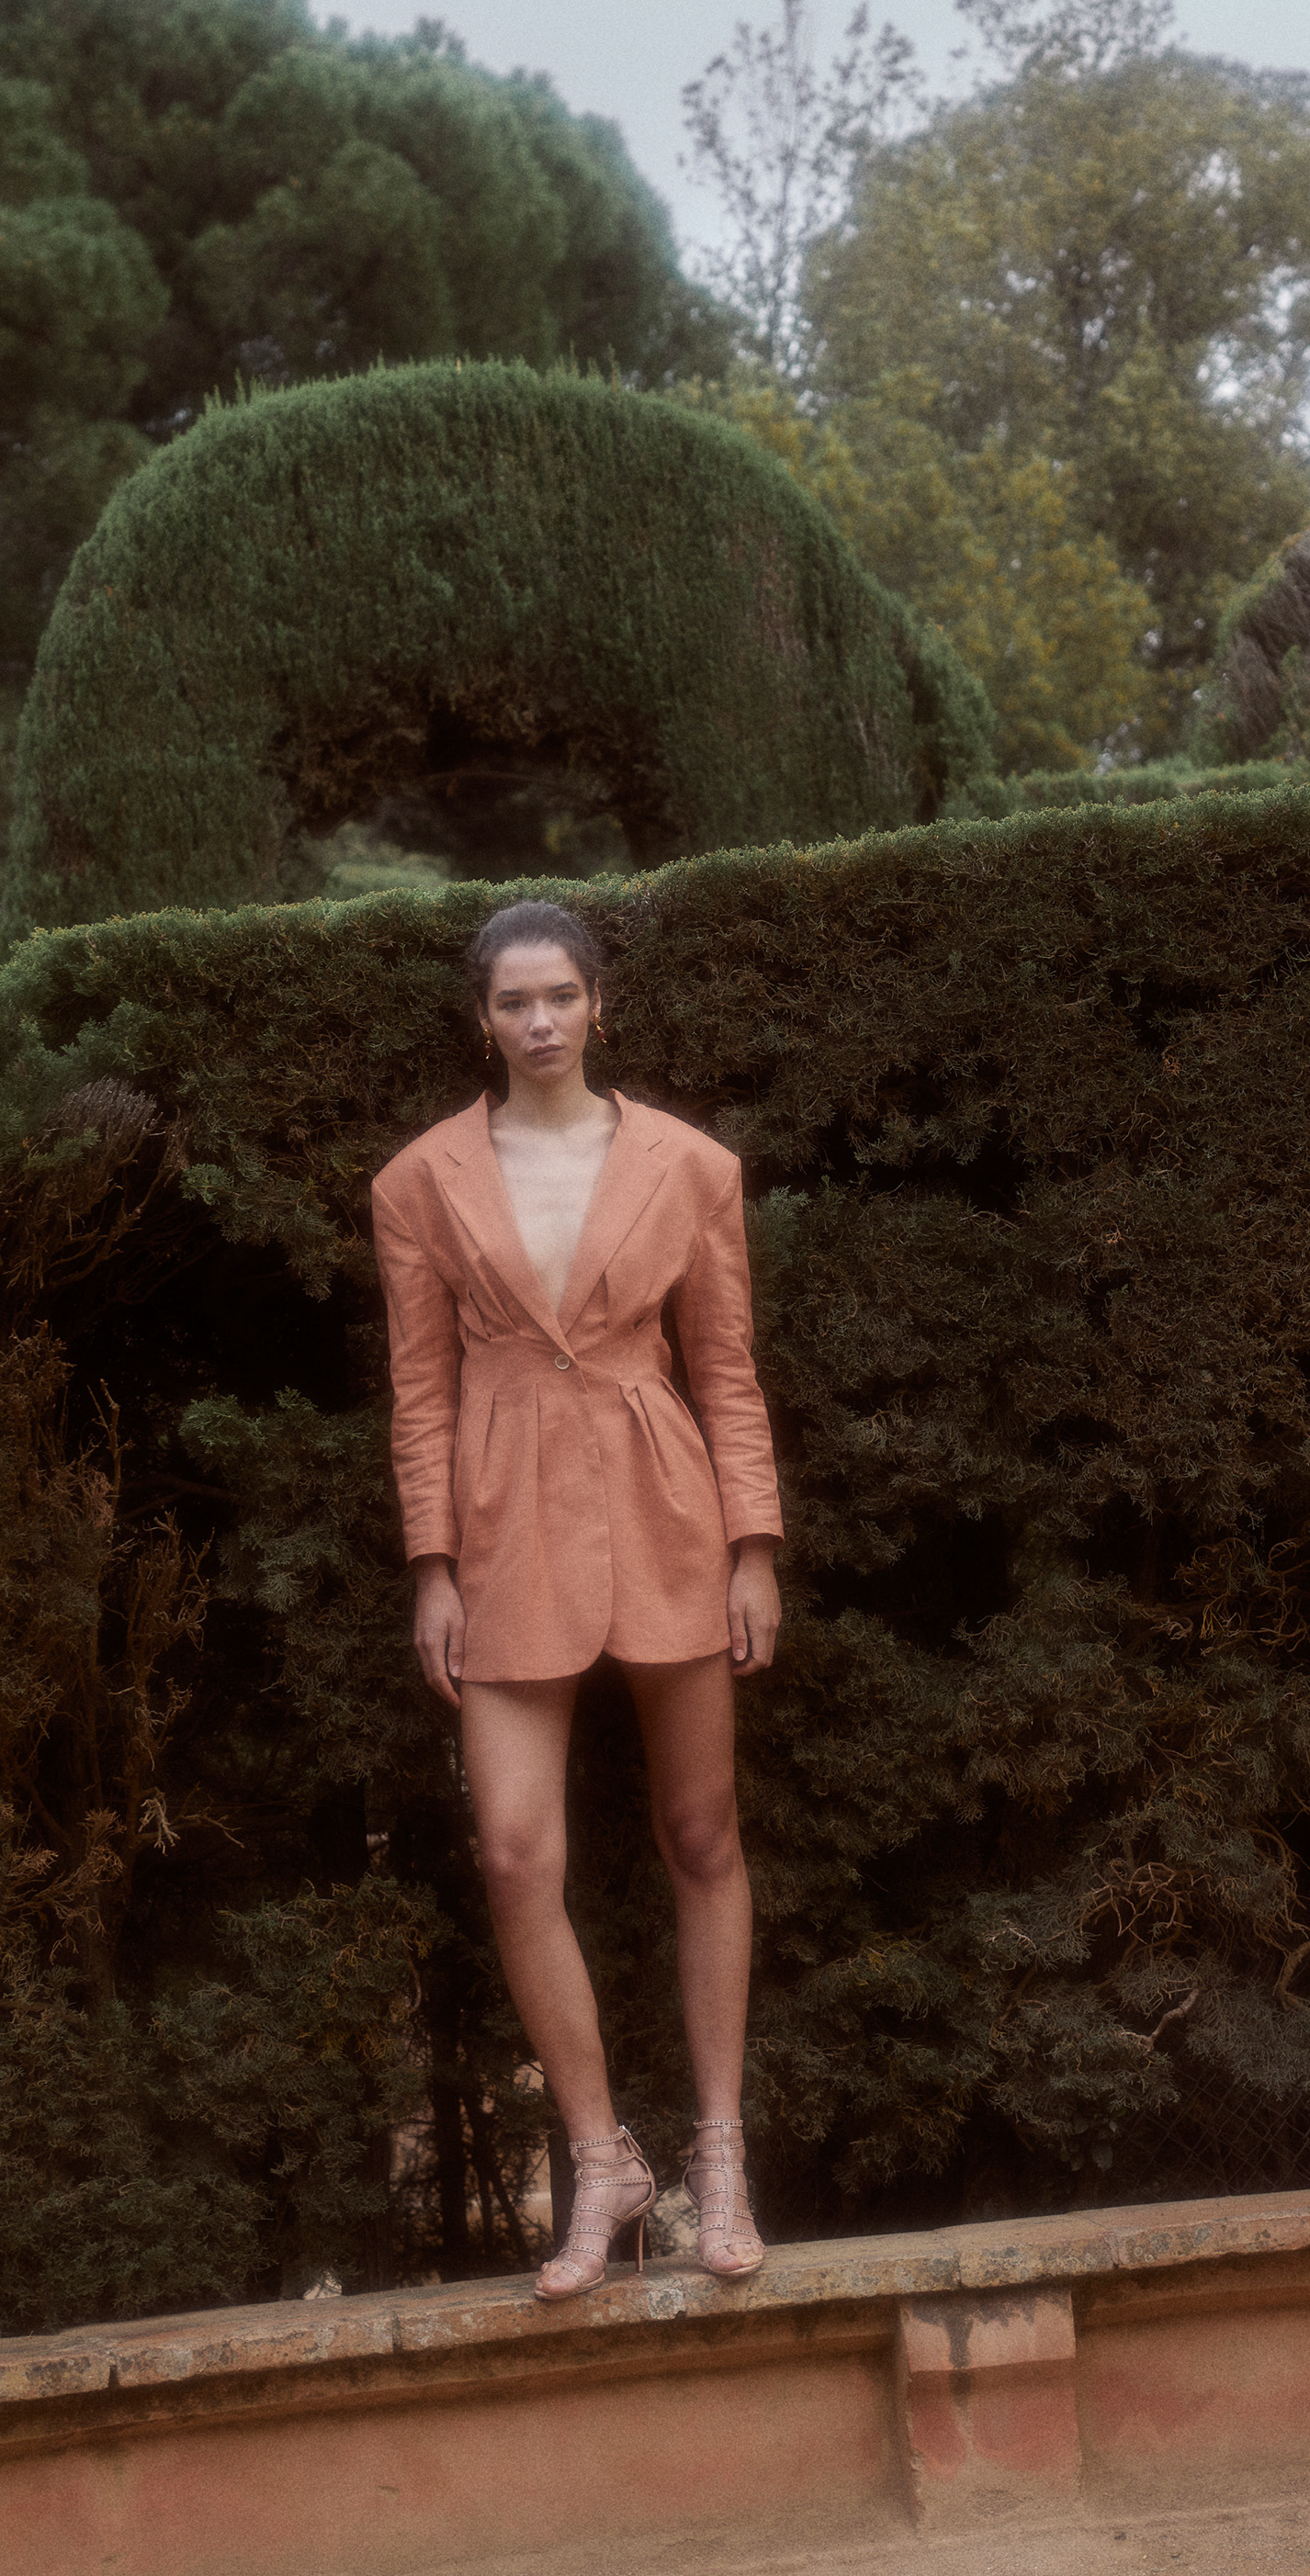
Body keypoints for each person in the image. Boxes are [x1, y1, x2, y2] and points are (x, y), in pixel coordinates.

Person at [370, 899, 784, 2300]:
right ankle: (602, 2158)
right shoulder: (418, 1183)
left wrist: (755, 1546)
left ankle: (721, 2153)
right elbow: (420, 1395)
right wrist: (432, 1567)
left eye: (560, 996)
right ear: (481, 1019)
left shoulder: (694, 1167)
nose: (539, 1021)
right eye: (513, 1002)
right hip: (501, 1525)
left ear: (601, 1003)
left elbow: (725, 1369)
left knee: (702, 1832)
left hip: (667, 1502)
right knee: (511, 1854)